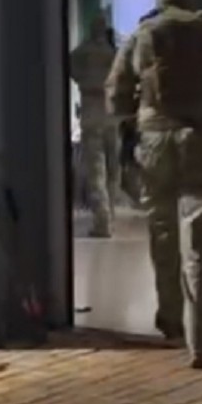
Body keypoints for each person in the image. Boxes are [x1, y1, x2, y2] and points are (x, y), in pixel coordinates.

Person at [106, 0, 202, 369]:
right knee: (201, 241)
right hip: (201, 138)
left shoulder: (143, 34)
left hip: (153, 140)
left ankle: (169, 317)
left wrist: (136, 117)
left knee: (162, 231)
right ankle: (201, 340)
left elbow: (116, 92)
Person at [70, 14, 120, 237]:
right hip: (111, 113)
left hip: (91, 111)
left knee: (96, 170)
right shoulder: (113, 54)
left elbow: (71, 70)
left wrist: (85, 80)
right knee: (113, 169)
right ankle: (111, 215)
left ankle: (102, 220)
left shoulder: (81, 52)